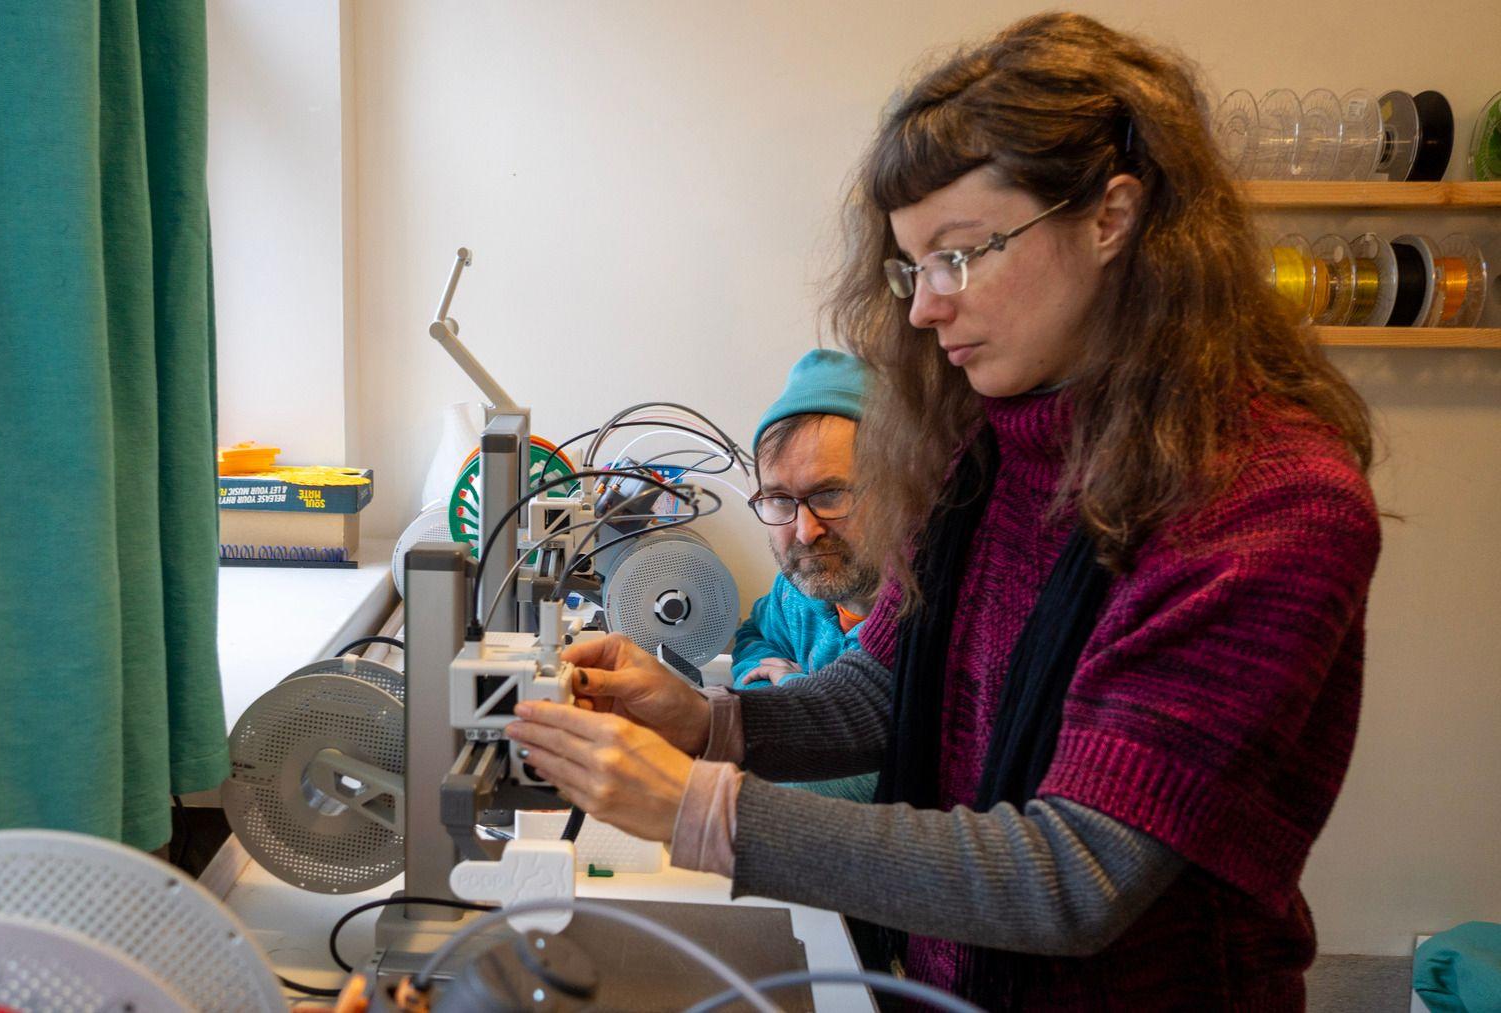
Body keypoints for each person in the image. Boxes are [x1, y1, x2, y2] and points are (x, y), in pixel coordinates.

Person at [507, 12, 1380, 1009]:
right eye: (912, 266)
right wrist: (705, 721)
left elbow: (1074, 875)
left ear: (1112, 218)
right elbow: (885, 689)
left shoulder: (1268, 505)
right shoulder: (989, 448)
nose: (924, 306)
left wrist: (698, 807)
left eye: (960, 254)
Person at [734, 348, 880, 801]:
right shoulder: (796, 594)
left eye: (831, 494)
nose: (804, 531)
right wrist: (765, 684)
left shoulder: (928, 619)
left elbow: (877, 778)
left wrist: (796, 689)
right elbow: (754, 639)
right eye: (779, 499)